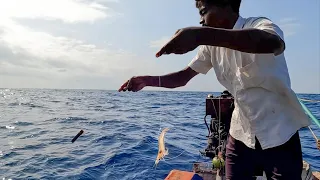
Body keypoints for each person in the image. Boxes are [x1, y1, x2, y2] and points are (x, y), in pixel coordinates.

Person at [118, 0, 311, 179]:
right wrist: (145, 80)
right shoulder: (210, 48)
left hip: (280, 133)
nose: (200, 20)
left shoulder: (260, 25)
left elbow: (273, 43)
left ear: (226, 5)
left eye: (203, 12)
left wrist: (199, 35)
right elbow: (182, 77)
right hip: (241, 132)